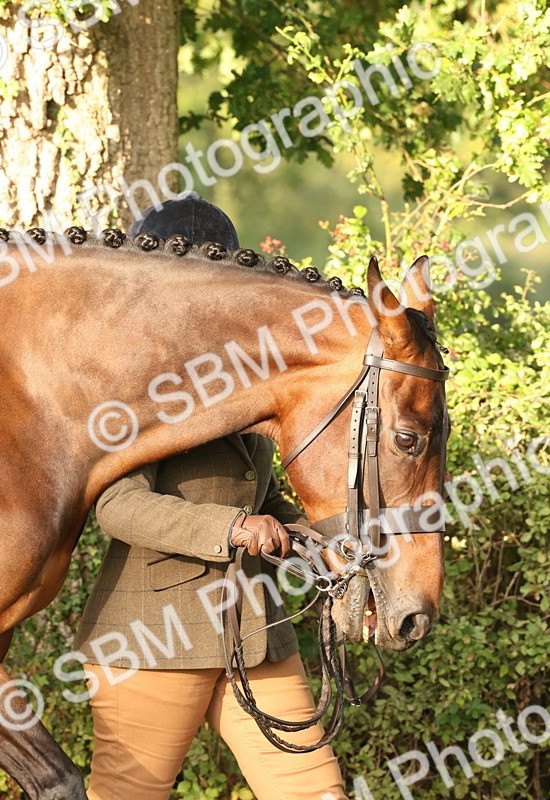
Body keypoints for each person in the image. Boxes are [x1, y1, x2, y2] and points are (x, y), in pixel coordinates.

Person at [73, 193, 348, 800]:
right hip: (152, 637)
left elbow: (263, 498)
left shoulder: (247, 379)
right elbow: (117, 507)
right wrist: (233, 530)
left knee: (318, 794)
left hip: (256, 631)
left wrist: (315, 542)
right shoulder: (132, 387)